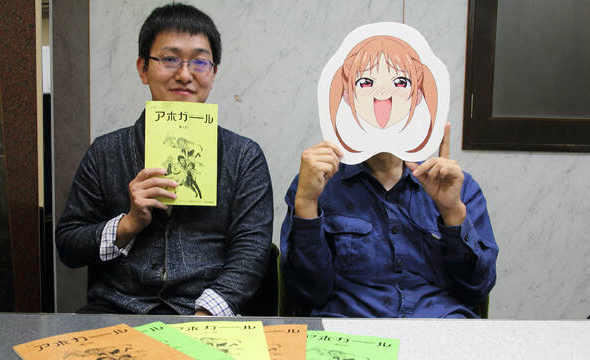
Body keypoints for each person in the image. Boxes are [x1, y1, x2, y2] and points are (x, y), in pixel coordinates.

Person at [56, 4, 273, 315]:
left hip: (205, 313)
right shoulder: (105, 151)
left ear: (213, 73)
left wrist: (206, 314)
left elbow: (251, 252)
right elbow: (68, 245)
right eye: (170, 59)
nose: (184, 75)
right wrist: (128, 224)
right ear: (143, 69)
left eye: (200, 62)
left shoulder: (244, 157)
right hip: (118, 309)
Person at [281, 36, 497, 318]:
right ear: (347, 97)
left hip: (440, 326)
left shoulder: (459, 187)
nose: (383, 95)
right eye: (365, 83)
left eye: (400, 83)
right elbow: (307, 294)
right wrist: (307, 204)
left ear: (417, 97)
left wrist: (452, 212)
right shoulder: (318, 184)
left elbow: (476, 290)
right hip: (350, 330)